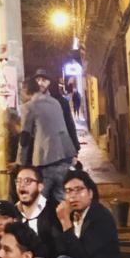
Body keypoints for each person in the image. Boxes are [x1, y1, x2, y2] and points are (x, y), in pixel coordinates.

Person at [18, 69, 77, 206]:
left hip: (46, 160)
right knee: (62, 198)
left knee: (38, 201)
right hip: (65, 157)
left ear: (27, 91)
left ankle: (35, 226)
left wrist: (20, 163)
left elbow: (25, 137)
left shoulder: (29, 107)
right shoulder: (55, 103)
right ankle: (71, 225)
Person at [13, 166, 55, 258]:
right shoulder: (12, 212)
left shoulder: (53, 211)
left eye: (27, 181)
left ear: (40, 187)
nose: (21, 185)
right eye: (18, 181)